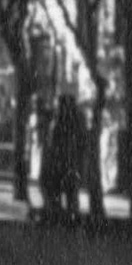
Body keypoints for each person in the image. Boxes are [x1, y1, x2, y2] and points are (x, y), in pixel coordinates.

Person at [40, 95, 87, 225]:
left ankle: (60, 219)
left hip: (60, 165)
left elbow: (51, 145)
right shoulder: (74, 122)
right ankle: (68, 220)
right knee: (70, 196)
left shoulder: (59, 122)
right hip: (68, 165)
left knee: (61, 195)